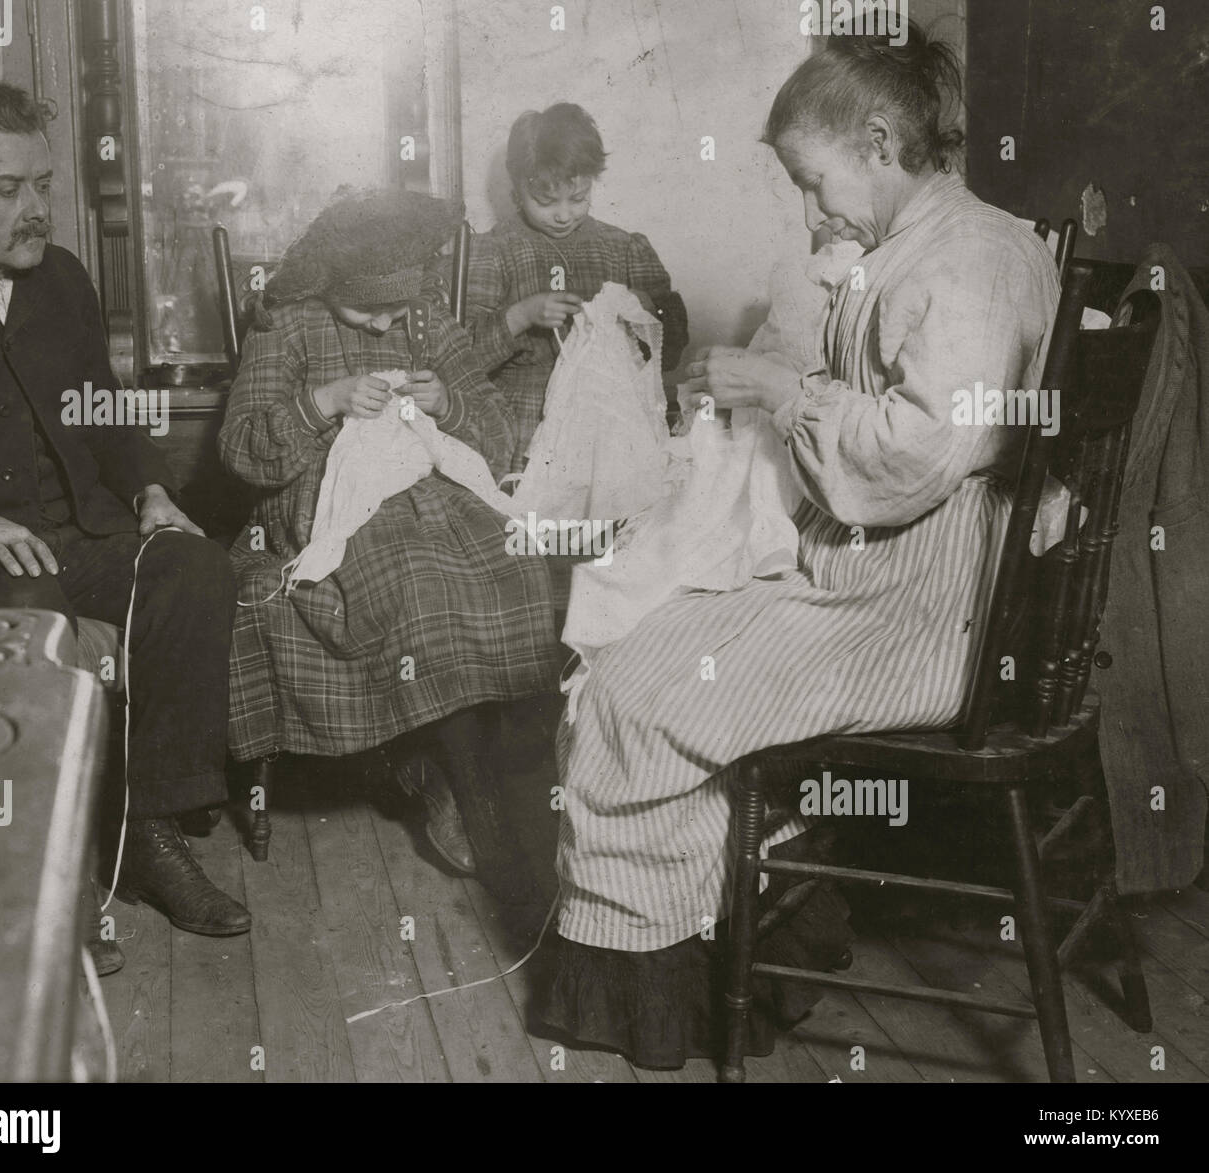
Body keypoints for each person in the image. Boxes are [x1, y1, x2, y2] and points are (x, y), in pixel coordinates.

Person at [534, 26, 1062, 1068]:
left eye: (815, 184)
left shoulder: (974, 262)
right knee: (646, 631)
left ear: (877, 140)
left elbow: (916, 456)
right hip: (889, 582)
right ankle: (755, 944)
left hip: (919, 617)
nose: (814, 213)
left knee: (634, 684)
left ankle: (665, 997)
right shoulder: (935, 248)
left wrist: (782, 392)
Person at [0, 82, 249, 942]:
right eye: (7, 189)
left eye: (43, 185)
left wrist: (154, 492)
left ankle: (147, 835)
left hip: (80, 533)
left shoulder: (61, 278)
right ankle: (47, 883)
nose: (35, 211)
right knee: (35, 617)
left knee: (195, 566)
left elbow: (104, 407)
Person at [219, 188, 557, 896]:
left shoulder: (427, 315)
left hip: (433, 490)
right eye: (367, 311)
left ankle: (466, 780)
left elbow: (495, 437)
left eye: (396, 313)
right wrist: (325, 402)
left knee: (515, 562)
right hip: (328, 503)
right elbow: (243, 450)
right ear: (329, 282)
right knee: (420, 576)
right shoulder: (287, 323)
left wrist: (450, 403)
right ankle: (474, 806)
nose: (384, 327)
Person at [436, 102, 688, 475]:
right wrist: (520, 316)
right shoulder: (492, 252)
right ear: (517, 188)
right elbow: (456, 363)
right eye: (546, 201)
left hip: (613, 426)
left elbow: (672, 350)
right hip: (524, 432)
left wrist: (642, 307)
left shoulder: (623, 248)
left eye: (578, 198)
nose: (563, 214)